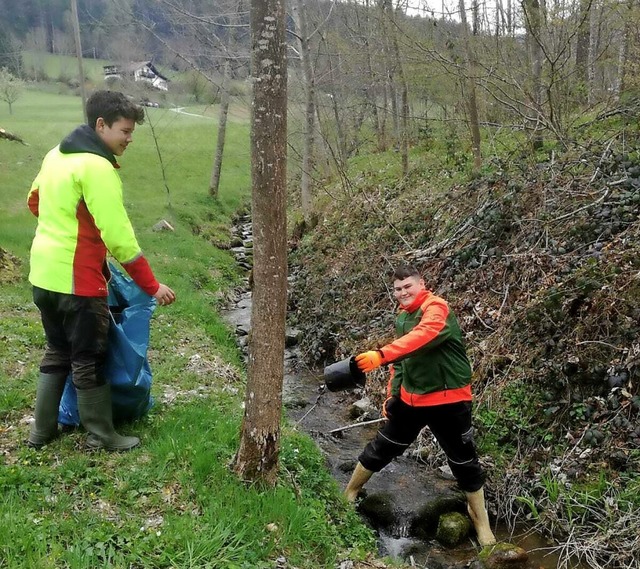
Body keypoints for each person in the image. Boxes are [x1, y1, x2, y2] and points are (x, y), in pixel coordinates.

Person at [26, 90, 176, 451]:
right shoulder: (97, 167)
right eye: (124, 131)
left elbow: (35, 201)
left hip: (42, 274)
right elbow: (120, 239)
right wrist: (152, 286)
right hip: (77, 281)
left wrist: (66, 229)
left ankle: (41, 433)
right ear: (101, 125)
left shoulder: (56, 155)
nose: (129, 139)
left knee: (57, 350)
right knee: (89, 357)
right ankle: (102, 435)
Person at [344, 264, 496, 547]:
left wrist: (381, 354)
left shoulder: (436, 308)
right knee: (382, 447)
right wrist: (392, 394)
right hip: (411, 400)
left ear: (421, 284)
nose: (402, 293)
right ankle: (350, 494)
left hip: (449, 400)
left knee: (464, 462)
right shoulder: (403, 317)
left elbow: (423, 336)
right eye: (397, 289)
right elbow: (402, 359)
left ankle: (481, 524)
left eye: (407, 287)